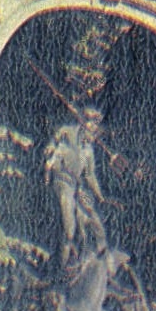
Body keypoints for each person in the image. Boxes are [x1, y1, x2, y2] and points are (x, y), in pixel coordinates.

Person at [44, 110, 109, 263]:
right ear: (84, 123)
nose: (92, 136)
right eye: (91, 127)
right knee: (69, 227)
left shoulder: (88, 151)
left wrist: (100, 197)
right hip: (62, 181)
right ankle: (63, 263)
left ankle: (100, 247)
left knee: (89, 211)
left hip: (75, 186)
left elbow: (90, 175)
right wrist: (51, 148)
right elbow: (53, 143)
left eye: (95, 132)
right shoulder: (68, 132)